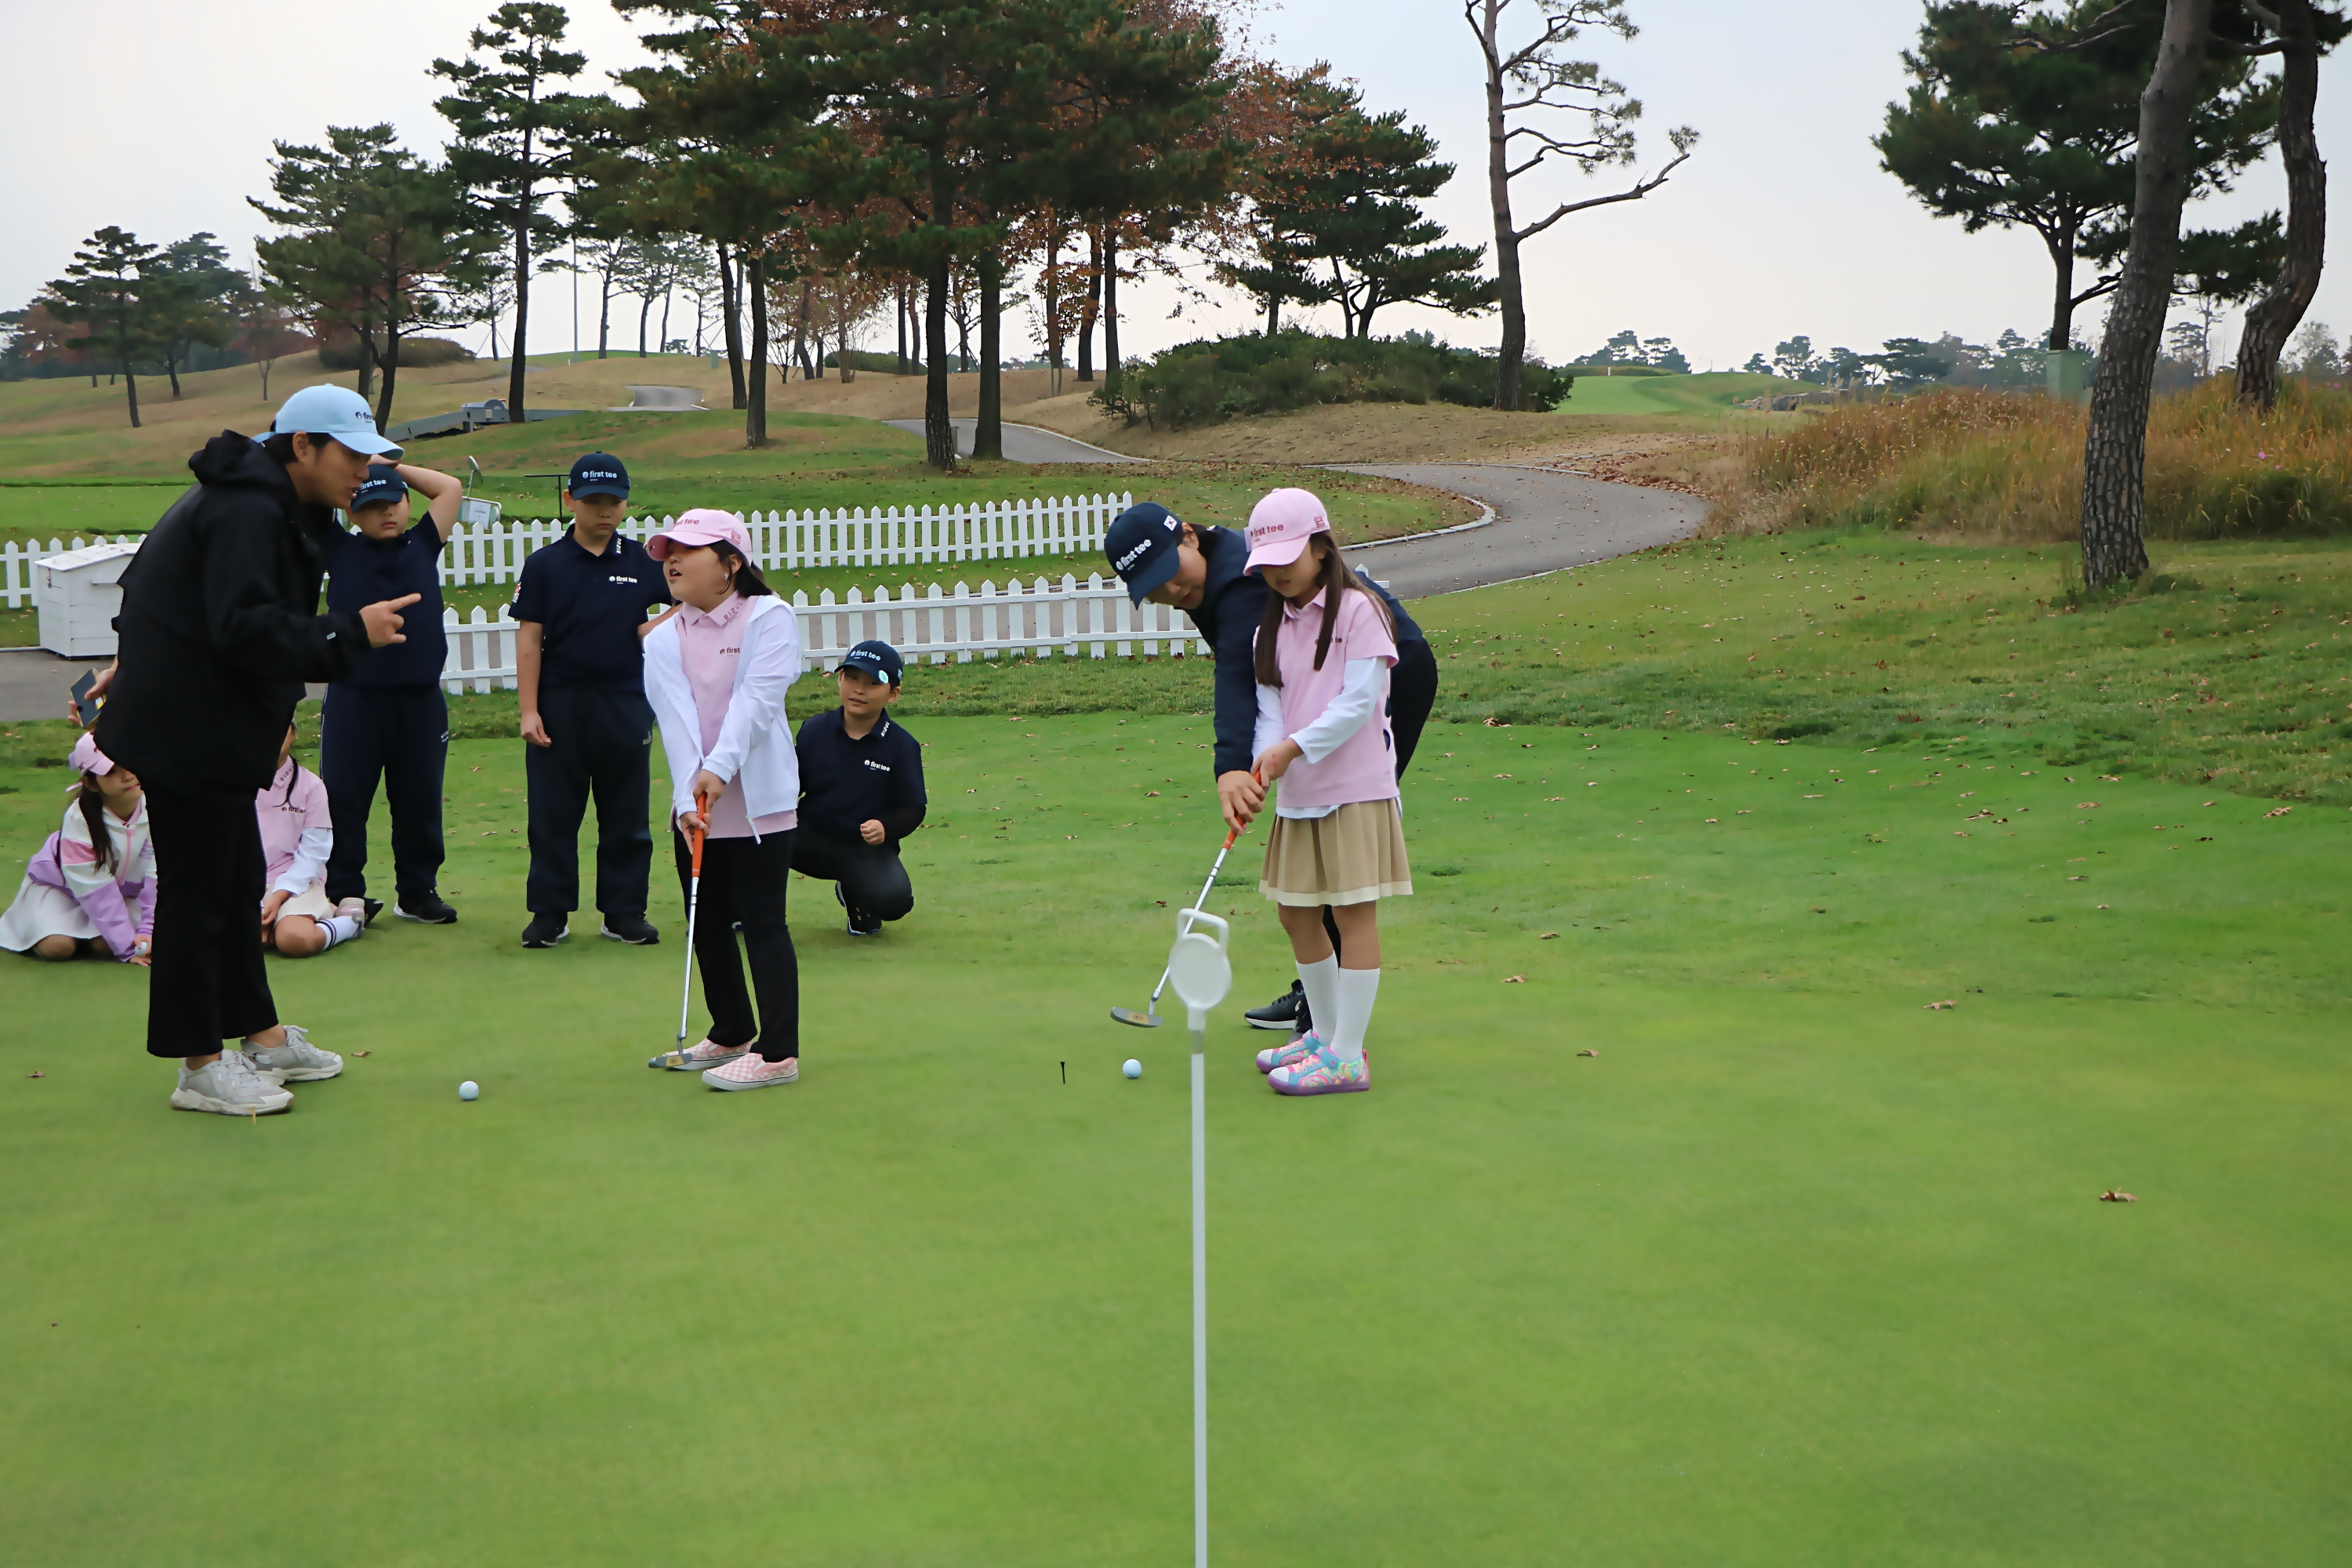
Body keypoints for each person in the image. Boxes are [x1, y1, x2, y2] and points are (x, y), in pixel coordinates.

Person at [89, 382, 418, 1116]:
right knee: (199, 894)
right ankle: (199, 1064)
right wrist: (349, 632)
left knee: (234, 883)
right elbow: (242, 628)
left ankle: (261, 1037)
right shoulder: (245, 507)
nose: (364, 471)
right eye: (352, 455)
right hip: (187, 730)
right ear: (303, 446)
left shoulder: (276, 501)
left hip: (212, 725)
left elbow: (171, 593)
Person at [1103, 495, 1439, 1040]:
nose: (1172, 591)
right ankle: (1321, 1007)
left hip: (1393, 673)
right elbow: (1264, 684)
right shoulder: (1221, 573)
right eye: (1154, 587)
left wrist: (1233, 769)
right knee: (1307, 881)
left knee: (1341, 862)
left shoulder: (1244, 579)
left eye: (1170, 572)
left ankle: (1330, 1027)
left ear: (1188, 535)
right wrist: (1256, 759)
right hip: (1319, 690)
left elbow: (1239, 676)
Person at [1240, 489, 1411, 1095]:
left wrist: (1291, 749)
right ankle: (1326, 1035)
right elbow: (1270, 711)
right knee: (1295, 913)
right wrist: (1265, 760)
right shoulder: (1269, 629)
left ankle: (1346, 1056)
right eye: (1267, 563)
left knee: (1351, 913)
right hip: (1301, 791)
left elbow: (1358, 701)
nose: (1278, 572)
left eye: (1288, 557)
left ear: (1320, 546)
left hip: (1355, 788)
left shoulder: (1361, 611)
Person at [637, 510, 805, 1091]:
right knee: (705, 924)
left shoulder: (770, 617)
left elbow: (756, 704)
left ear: (731, 563)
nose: (672, 560)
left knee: (763, 924)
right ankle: (731, 1031)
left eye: (689, 550)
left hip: (759, 804)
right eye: (669, 550)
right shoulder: (663, 639)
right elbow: (675, 723)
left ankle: (778, 1054)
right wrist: (688, 796)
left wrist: (718, 770)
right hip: (698, 806)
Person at [510, 452, 672, 949]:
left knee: (627, 816)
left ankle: (623, 912)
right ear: (570, 500)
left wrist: (658, 625)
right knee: (552, 817)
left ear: (626, 503)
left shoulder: (645, 562)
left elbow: (686, 606)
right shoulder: (545, 565)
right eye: (593, 501)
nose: (604, 511)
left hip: (625, 704)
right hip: (559, 706)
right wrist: (529, 710)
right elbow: (529, 640)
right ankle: (550, 913)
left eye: (614, 502)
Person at [320, 461, 463, 926]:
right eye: (372, 506)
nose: (386, 513)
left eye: (394, 502)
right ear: (351, 512)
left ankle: (417, 892)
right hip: (354, 697)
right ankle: (344, 891)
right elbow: (307, 498)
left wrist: (387, 464)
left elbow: (449, 488)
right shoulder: (338, 547)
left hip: (420, 699)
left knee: (420, 798)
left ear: (407, 503)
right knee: (344, 799)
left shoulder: (424, 543)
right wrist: (350, 474)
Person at [792, 640, 926, 936]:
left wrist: (886, 827)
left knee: (894, 901)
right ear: (839, 679)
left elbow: (913, 807)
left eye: (873, 683)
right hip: (807, 837)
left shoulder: (902, 746)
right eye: (852, 677)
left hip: (863, 848)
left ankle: (853, 892)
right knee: (753, 838)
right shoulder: (813, 730)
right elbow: (791, 786)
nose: (859, 690)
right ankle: (747, 910)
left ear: (893, 694)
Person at [0, 734, 154, 965]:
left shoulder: (158, 808)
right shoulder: (79, 819)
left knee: (105, 945)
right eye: (111, 771)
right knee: (58, 947)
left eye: (130, 763)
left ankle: (94, 937)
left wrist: (147, 928)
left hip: (123, 893)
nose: (128, 776)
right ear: (90, 783)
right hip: (61, 891)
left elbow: (158, 875)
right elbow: (95, 889)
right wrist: (126, 949)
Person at [257, 724, 365, 959]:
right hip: (243, 884)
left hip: (295, 884)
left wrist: (278, 896)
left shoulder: (310, 786)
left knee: (294, 938)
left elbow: (313, 854)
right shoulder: (228, 782)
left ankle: (349, 923)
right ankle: (323, 912)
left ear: (293, 733)